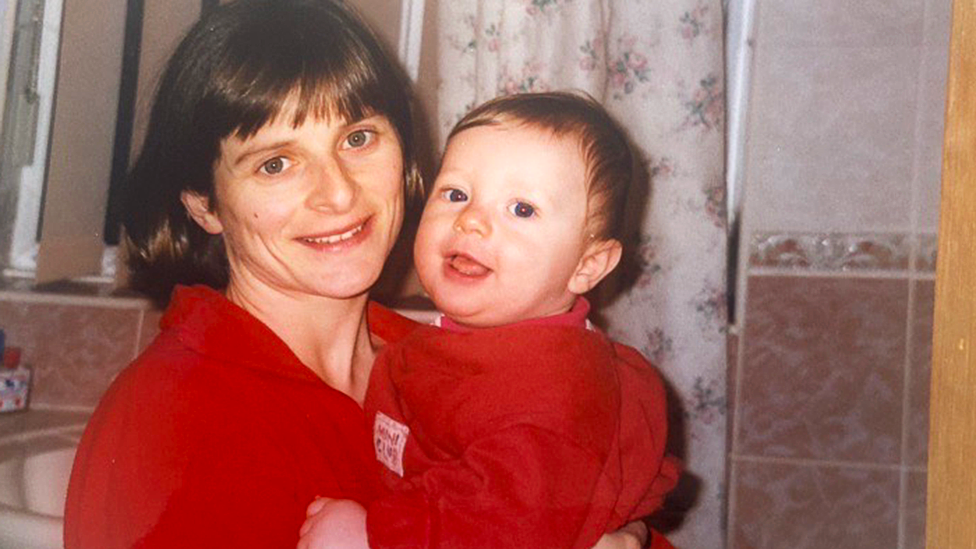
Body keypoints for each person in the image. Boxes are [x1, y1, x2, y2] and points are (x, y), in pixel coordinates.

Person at [64, 2, 649, 547]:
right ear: (204, 204)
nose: (339, 193)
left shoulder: (449, 356)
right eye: (276, 163)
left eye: (359, 137)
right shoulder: (174, 422)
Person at [299, 92, 680, 549]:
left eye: (522, 209)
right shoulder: (467, 342)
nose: (472, 220)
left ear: (588, 266)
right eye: (456, 194)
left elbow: (502, 529)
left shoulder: (549, 396)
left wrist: (368, 537)